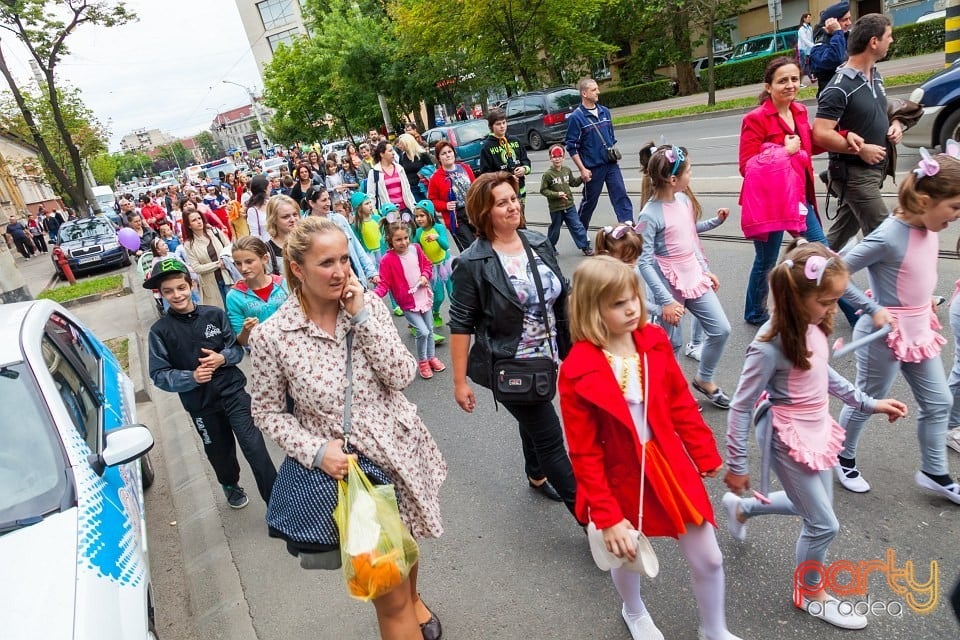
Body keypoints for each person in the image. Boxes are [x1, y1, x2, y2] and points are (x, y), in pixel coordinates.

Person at [248, 215, 446, 640]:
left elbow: (400, 375)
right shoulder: (273, 336)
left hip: (399, 449)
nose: (340, 272)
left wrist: (362, 319)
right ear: (297, 269)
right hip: (350, 473)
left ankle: (416, 600)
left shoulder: (367, 306)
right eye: (326, 263)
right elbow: (266, 412)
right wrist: (316, 451)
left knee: (406, 544)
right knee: (387, 595)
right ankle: (405, 607)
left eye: (344, 260)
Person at [723, 242, 907, 630]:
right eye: (827, 300)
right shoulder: (767, 347)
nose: (834, 308)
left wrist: (870, 403)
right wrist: (737, 464)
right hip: (785, 434)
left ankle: (743, 509)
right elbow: (740, 405)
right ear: (796, 297)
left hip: (817, 426)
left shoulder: (813, 325)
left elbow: (825, 374)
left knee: (807, 506)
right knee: (824, 524)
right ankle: (809, 593)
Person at [560, 256, 741, 640]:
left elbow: (679, 402)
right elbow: (584, 451)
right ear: (592, 309)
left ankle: (714, 629)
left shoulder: (654, 341)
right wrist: (607, 517)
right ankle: (634, 610)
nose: (631, 308)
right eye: (617, 303)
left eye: (633, 298)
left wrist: (703, 452)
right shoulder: (577, 368)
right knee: (626, 552)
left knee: (709, 557)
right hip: (618, 474)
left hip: (668, 464)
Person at [834, 149, 960, 504]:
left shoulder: (927, 224)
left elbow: (912, 273)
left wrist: (925, 299)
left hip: (919, 330)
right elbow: (835, 273)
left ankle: (934, 472)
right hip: (883, 336)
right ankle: (843, 457)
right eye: (953, 208)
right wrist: (872, 308)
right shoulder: (888, 235)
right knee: (865, 401)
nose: (956, 216)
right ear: (923, 200)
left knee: (939, 401)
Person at [449, 171, 577, 510]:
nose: (512, 207)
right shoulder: (471, 262)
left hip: (550, 355)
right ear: (483, 213)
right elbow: (461, 323)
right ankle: (591, 519)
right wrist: (459, 381)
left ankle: (536, 475)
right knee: (550, 437)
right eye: (501, 203)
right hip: (512, 362)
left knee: (533, 414)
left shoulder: (536, 241)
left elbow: (563, 291)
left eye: (513, 199)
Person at [146, 258, 277, 509]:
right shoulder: (159, 331)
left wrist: (222, 358)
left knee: (255, 448)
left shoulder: (214, 315)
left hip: (234, 395)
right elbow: (159, 374)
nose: (177, 295)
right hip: (201, 405)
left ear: (191, 285)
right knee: (220, 454)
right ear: (160, 294)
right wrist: (191, 378)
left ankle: (276, 501)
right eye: (168, 291)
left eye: (181, 287)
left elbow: (237, 351)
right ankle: (230, 484)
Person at [637, 144, 731, 409]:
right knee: (671, 343)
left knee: (721, 329)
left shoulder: (684, 200)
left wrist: (704, 270)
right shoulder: (649, 214)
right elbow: (644, 262)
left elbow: (690, 239)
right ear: (673, 179)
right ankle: (673, 395)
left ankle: (704, 378)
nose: (692, 174)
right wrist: (665, 301)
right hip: (667, 282)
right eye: (688, 170)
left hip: (692, 274)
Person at [739, 57, 830, 326]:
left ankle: (846, 308)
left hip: (799, 199)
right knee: (766, 261)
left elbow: (810, 144)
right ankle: (755, 311)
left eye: (794, 79)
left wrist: (846, 138)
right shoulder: (755, 119)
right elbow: (747, 166)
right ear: (768, 87)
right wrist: (784, 152)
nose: (790, 85)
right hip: (770, 203)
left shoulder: (799, 111)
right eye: (782, 81)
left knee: (822, 254)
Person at [812, 14, 903, 255]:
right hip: (855, 175)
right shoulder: (839, 87)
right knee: (888, 238)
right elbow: (820, 134)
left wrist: (895, 124)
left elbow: (879, 110)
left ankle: (802, 276)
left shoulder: (876, 75)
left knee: (837, 239)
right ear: (874, 42)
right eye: (888, 36)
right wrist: (860, 149)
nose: (891, 40)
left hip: (873, 173)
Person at [374, 213, 445, 379]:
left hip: (423, 296)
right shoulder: (387, 260)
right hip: (408, 303)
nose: (404, 242)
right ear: (390, 240)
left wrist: (424, 276)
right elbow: (384, 284)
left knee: (430, 329)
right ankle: (423, 362)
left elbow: (427, 265)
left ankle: (431, 357)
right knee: (423, 331)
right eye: (398, 240)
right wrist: (373, 297)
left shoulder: (416, 249)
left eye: (406, 237)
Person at [565, 78, 633, 228]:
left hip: (611, 165)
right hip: (593, 169)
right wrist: (582, 169)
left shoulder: (605, 112)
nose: (598, 92)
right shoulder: (576, 118)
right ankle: (580, 231)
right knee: (590, 202)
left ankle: (628, 226)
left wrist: (613, 154)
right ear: (584, 93)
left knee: (620, 194)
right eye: (594, 90)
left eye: (597, 89)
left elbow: (611, 137)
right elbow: (572, 147)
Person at [303, 186, 379, 290]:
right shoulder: (304, 228)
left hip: (353, 277)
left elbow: (357, 247)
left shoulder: (339, 219)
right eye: (324, 200)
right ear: (312, 203)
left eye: (329, 199)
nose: (329, 203)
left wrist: (371, 272)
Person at [226, 236, 289, 346]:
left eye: (249, 262)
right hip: (264, 355)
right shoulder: (234, 296)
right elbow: (242, 341)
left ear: (264, 259)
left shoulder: (283, 284)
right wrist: (246, 330)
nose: (243, 268)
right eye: (238, 263)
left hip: (294, 348)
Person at [539, 144, 593, 256]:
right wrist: (556, 194)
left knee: (577, 225)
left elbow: (573, 183)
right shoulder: (548, 175)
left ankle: (585, 246)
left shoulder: (567, 170)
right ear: (550, 158)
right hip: (556, 208)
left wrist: (582, 178)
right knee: (555, 230)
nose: (557, 159)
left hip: (569, 205)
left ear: (563, 157)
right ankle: (550, 248)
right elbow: (543, 190)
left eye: (560, 156)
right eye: (554, 156)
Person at [426, 140, 476, 250]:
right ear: (439, 158)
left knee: (483, 243)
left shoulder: (465, 168)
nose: (448, 155)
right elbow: (432, 201)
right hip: (456, 217)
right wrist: (445, 205)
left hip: (473, 212)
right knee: (470, 248)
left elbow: (476, 188)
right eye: (443, 153)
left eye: (449, 151)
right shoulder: (436, 178)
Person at [412, 200, 454, 329]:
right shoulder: (418, 232)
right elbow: (416, 249)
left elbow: (446, 246)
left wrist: (437, 238)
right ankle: (436, 313)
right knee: (439, 297)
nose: (419, 219)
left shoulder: (439, 228)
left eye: (422, 215)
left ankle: (457, 316)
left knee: (453, 293)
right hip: (433, 268)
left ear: (430, 215)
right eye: (417, 216)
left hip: (445, 264)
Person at [182, 208, 234, 308]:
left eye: (199, 218)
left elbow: (230, 249)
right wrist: (217, 264)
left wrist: (226, 261)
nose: (198, 221)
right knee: (220, 312)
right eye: (194, 220)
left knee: (235, 309)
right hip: (210, 284)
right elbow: (197, 268)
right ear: (189, 225)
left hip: (228, 277)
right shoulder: (189, 245)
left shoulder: (215, 232)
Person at [478, 109, 531, 203]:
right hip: (502, 194)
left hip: (520, 190)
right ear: (491, 126)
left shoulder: (515, 141)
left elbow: (525, 160)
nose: (502, 126)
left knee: (521, 216)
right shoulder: (487, 147)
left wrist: (524, 169)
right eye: (498, 124)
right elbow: (485, 175)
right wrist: (506, 178)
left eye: (504, 123)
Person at [808, 1, 853, 97]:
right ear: (831, 22)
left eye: (849, 18)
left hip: (850, 95)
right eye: (845, 20)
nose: (849, 23)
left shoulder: (845, 37)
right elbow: (835, 59)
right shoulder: (820, 44)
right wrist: (837, 32)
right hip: (832, 99)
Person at [366, 141, 418, 215]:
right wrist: (374, 213)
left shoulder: (399, 168)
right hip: (388, 212)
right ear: (382, 154)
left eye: (393, 150)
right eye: (390, 151)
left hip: (405, 210)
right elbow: (371, 195)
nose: (393, 153)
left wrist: (413, 206)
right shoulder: (374, 172)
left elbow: (407, 190)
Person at [265, 194, 300, 276]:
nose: (292, 219)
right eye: (286, 217)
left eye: (295, 214)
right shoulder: (268, 251)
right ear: (273, 219)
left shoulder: (307, 241)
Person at [395, 133, 433, 202]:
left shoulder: (422, 154)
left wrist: (423, 172)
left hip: (424, 186)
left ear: (408, 143)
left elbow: (431, 168)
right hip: (411, 188)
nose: (399, 146)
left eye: (401, 143)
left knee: (429, 208)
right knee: (419, 209)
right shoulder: (402, 156)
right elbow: (401, 172)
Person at [246, 175, 270, 241]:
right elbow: (255, 234)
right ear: (265, 189)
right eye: (269, 187)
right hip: (266, 245)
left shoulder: (271, 202)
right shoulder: (253, 210)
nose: (270, 189)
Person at [797, 12, 815, 85]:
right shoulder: (801, 29)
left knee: (807, 65)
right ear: (804, 19)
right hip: (803, 50)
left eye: (810, 17)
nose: (810, 19)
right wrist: (813, 45)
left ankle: (811, 78)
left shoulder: (809, 28)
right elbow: (804, 40)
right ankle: (799, 83)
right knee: (802, 67)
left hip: (808, 50)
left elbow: (811, 39)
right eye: (808, 17)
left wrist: (813, 46)